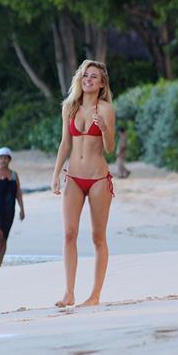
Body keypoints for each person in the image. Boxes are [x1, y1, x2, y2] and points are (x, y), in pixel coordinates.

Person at [51, 59, 116, 307]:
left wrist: (104, 130)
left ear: (101, 85)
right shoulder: (70, 107)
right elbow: (65, 144)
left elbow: (110, 148)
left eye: (94, 77)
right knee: (69, 234)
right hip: (74, 178)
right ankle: (69, 292)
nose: (88, 79)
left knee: (98, 237)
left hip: (99, 178)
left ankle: (95, 295)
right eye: (86, 75)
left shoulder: (106, 110)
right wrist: (56, 174)